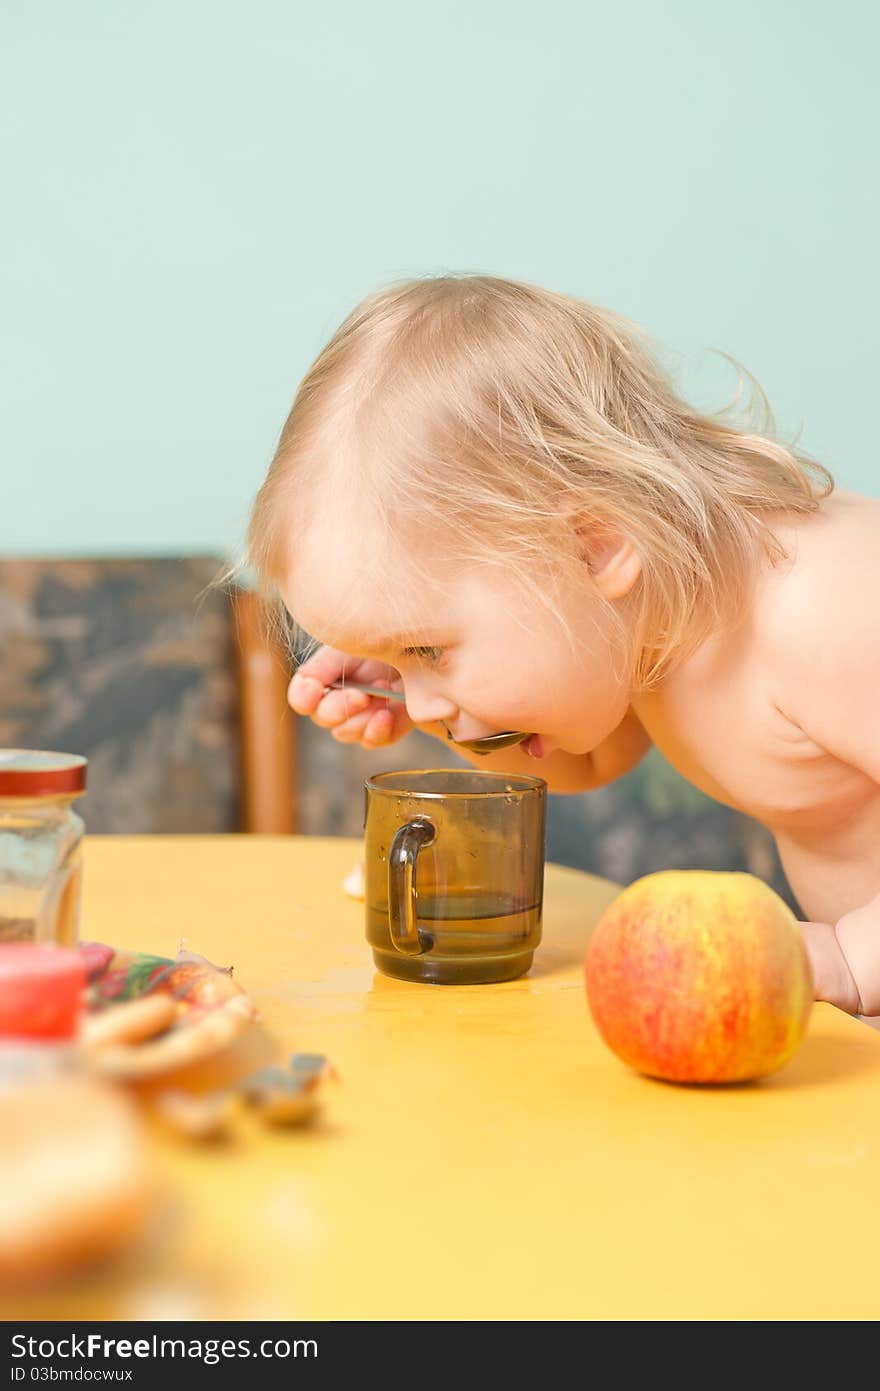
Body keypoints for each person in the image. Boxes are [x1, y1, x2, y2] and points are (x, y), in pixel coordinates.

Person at [245, 274, 880, 1023]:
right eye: (400, 663)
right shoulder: (642, 619)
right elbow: (587, 758)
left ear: (593, 546)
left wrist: (849, 956)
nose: (418, 700)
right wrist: (455, 714)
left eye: (429, 649)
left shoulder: (824, 607)